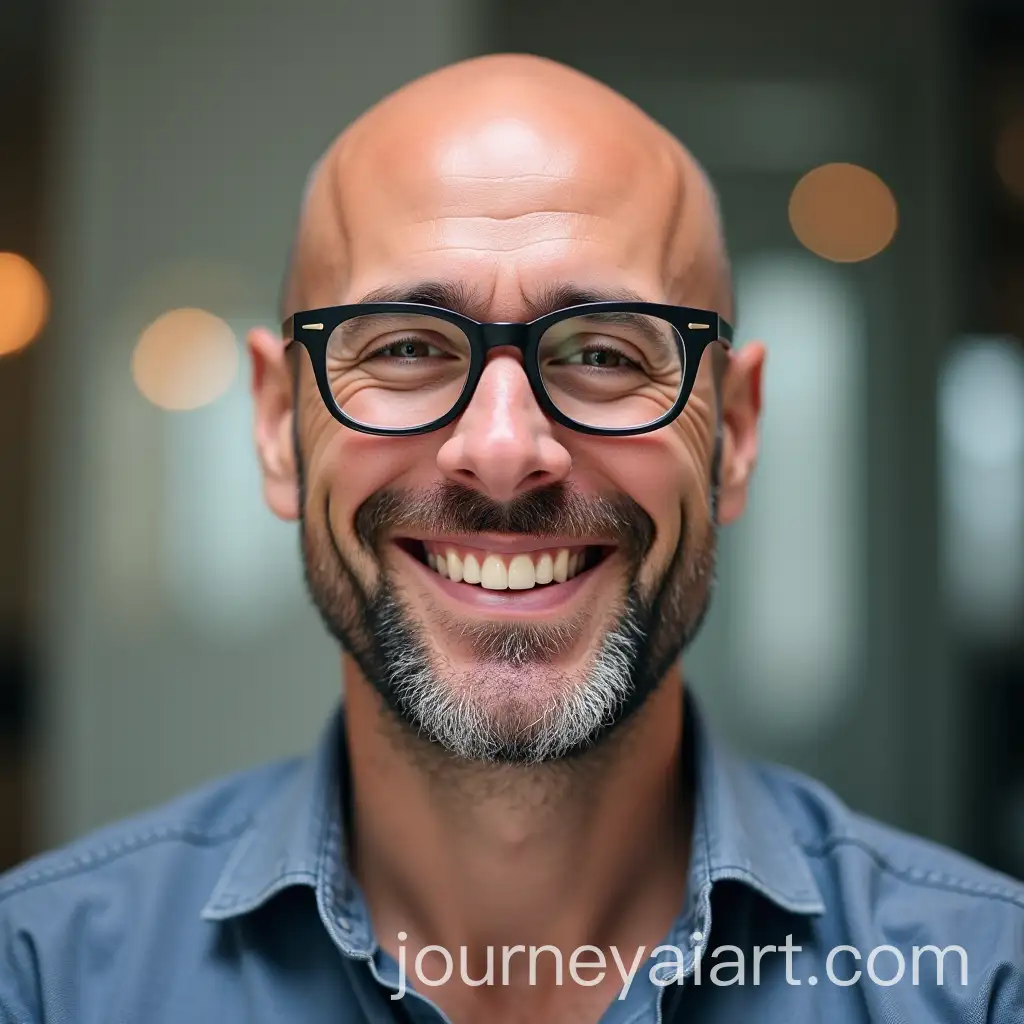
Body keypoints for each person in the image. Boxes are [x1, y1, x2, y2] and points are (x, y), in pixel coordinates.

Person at [1, 53, 1022, 1024]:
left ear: (738, 431)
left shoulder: (977, 986)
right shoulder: (45, 979)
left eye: (603, 351)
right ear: (276, 426)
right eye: (404, 347)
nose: (499, 451)